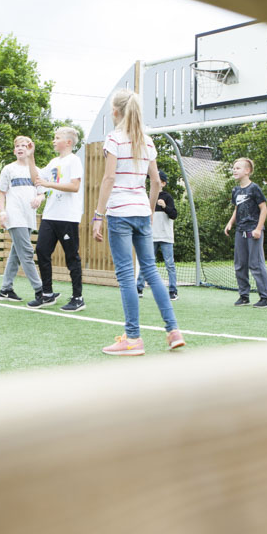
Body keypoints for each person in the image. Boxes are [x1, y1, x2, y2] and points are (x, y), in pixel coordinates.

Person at [92, 89, 184, 355]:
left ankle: (132, 339)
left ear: (117, 111)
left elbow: (109, 179)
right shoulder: (147, 141)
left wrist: (98, 215)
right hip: (143, 212)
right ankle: (173, 331)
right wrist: (149, 207)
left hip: (120, 213)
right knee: (152, 272)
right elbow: (155, 182)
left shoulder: (113, 138)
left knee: (125, 275)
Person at [28, 126, 85, 311]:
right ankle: (47, 294)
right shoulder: (53, 162)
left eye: (57, 137)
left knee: (71, 257)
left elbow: (74, 186)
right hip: (50, 215)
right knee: (42, 251)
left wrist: (48, 184)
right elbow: (36, 178)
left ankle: (78, 297)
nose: (53, 140)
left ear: (68, 142)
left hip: (68, 216)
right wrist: (30, 156)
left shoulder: (74, 160)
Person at [0, 135, 45, 303]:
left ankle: (5, 289)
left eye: (24, 145)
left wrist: (39, 198)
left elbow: (41, 192)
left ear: (29, 148)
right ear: (14, 150)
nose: (20, 148)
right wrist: (2, 212)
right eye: (18, 146)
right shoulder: (8, 169)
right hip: (14, 216)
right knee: (26, 252)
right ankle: (40, 290)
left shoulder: (35, 169)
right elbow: (1, 193)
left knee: (16, 254)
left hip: (29, 217)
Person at [224, 157, 267, 307]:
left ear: (247, 171)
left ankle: (266, 298)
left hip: (253, 231)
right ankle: (244, 296)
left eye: (238, 168)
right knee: (240, 264)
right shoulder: (236, 190)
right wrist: (230, 223)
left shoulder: (254, 188)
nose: (234, 170)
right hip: (240, 231)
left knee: (255, 264)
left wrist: (258, 229)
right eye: (234, 168)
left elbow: (263, 209)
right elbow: (237, 208)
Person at [135, 169, 178, 300]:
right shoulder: (148, 198)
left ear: (163, 183)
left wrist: (165, 207)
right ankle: (139, 288)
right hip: (151, 236)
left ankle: (173, 291)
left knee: (169, 264)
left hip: (166, 237)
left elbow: (174, 215)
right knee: (146, 262)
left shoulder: (167, 197)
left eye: (157, 180)